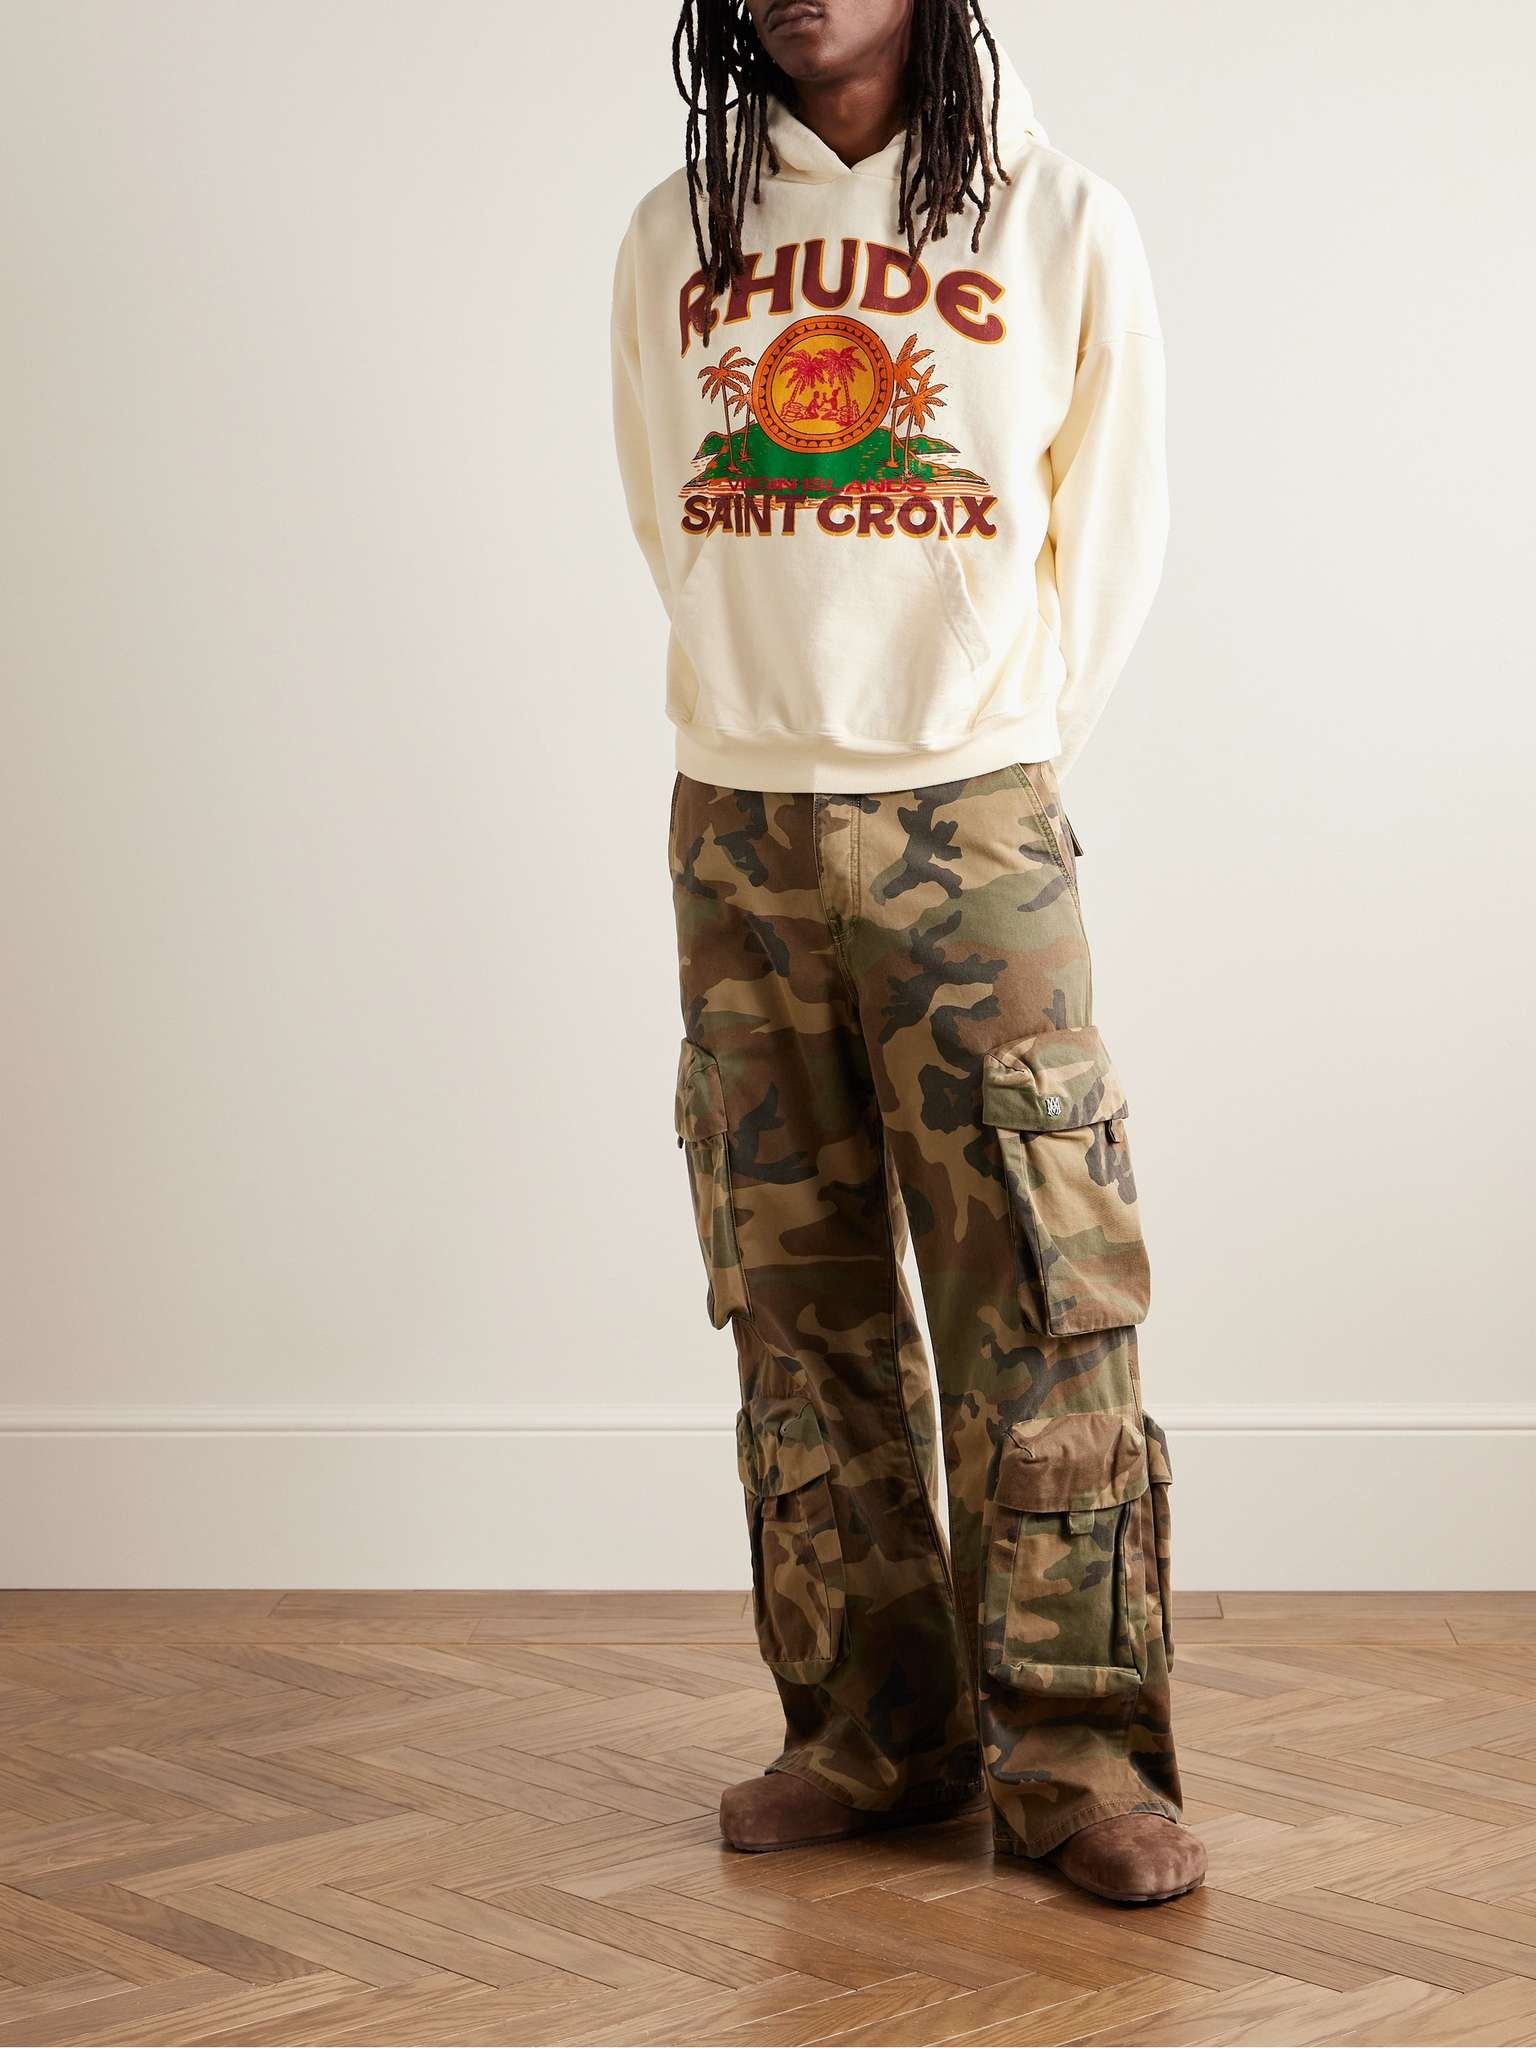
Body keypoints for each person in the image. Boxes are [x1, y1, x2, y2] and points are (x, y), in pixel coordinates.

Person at [609, 0, 1205, 1906]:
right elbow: (671, 510)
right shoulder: (678, 230)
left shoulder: (1060, 216)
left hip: (973, 815)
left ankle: (1080, 1761)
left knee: (1039, 1282)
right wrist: (766, 715)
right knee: (793, 1296)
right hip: (738, 820)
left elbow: (1114, 532)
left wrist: (986, 740)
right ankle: (872, 1733)